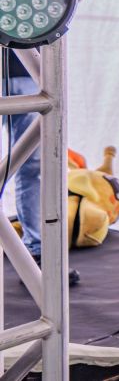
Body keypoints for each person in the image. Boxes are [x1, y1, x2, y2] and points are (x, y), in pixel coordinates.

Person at [5, 52, 80, 286]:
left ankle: (36, 251)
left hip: (28, 69)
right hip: (26, 71)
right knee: (31, 165)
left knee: (32, 163)